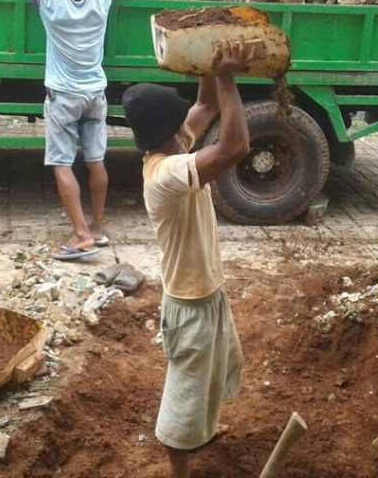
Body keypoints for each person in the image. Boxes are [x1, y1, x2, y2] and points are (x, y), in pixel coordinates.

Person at [122, 40, 257, 478]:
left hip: (206, 293)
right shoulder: (165, 174)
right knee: (183, 396)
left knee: (213, 372)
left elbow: (204, 103)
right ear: (165, 131)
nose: (188, 123)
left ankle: (207, 426)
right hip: (189, 305)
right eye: (179, 121)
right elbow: (235, 147)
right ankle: (179, 466)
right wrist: (228, 78)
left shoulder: (175, 145)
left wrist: (210, 57)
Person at [17, 0, 122, 261]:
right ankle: (96, 228)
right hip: (96, 94)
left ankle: (80, 236)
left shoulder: (49, 2)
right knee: (96, 161)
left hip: (63, 97)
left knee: (62, 164)